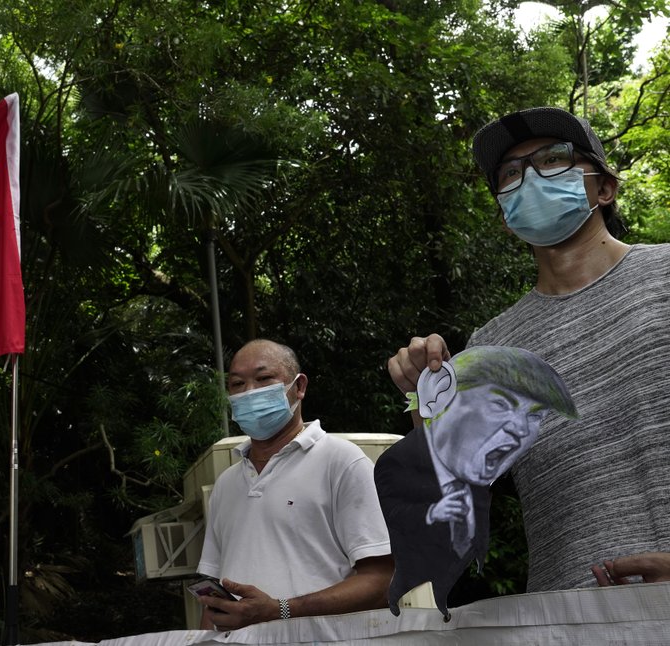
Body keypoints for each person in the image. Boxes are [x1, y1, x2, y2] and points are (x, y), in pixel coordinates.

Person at [387, 106, 670, 593]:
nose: (530, 178)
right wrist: (424, 398)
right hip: (569, 618)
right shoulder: (490, 348)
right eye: (511, 173)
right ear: (505, 217)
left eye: (554, 159)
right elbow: (452, 507)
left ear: (604, 188)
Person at [196, 339, 393, 630]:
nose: (249, 392)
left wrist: (280, 610)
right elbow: (212, 596)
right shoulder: (226, 484)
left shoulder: (341, 461)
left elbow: (383, 581)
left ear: (299, 387)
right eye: (237, 384)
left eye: (263, 379)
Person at [375, 346, 577, 619]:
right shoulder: (395, 467)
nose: (519, 428)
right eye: (500, 404)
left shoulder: (483, 487)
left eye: (534, 415)